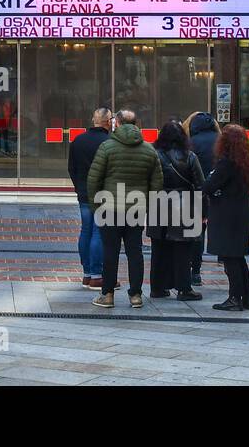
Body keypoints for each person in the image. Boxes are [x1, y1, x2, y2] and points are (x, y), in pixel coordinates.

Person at [87, 108, 163, 310]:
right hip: (136, 209)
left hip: (109, 208)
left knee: (110, 251)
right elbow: (157, 183)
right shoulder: (149, 150)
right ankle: (136, 295)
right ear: (136, 124)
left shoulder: (106, 147)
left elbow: (94, 180)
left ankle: (108, 294)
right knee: (135, 252)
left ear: (117, 123)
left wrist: (96, 206)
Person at [148, 120, 205, 301]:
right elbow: (200, 186)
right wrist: (204, 213)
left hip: (159, 203)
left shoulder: (154, 155)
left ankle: (157, 287)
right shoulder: (190, 156)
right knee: (183, 248)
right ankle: (184, 288)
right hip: (185, 205)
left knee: (159, 248)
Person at [204, 125, 249, 311]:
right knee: (238, 256)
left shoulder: (226, 162)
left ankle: (235, 297)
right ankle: (247, 296)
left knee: (230, 257)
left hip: (226, 214)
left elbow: (209, 186)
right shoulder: (246, 161)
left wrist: (213, 187)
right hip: (241, 212)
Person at [69, 107, 111, 288]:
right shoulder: (109, 142)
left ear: (94, 120)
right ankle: (96, 274)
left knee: (85, 230)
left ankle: (87, 273)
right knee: (98, 232)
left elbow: (72, 168)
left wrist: (79, 187)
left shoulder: (78, 141)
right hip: (102, 193)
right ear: (107, 121)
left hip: (84, 193)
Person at [183, 112, 219, 287]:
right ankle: (226, 261)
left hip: (197, 192)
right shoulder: (222, 140)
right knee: (221, 228)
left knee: (197, 232)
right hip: (220, 191)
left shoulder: (191, 143)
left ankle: (195, 271)